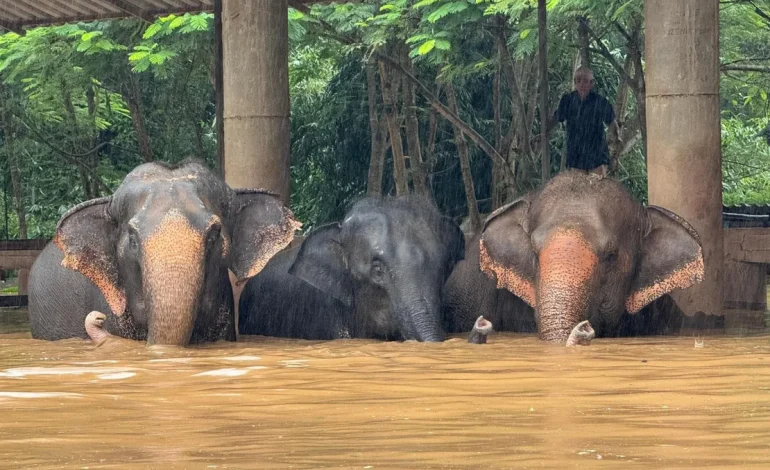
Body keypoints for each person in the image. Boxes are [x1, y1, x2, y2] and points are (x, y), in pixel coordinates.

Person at [542, 66, 618, 176]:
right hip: (576, 153)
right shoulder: (567, 100)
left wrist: (616, 138)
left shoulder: (600, 102)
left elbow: (611, 122)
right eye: (578, 80)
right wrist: (545, 131)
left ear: (592, 83)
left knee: (598, 188)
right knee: (578, 189)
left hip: (597, 153)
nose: (582, 84)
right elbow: (557, 118)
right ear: (574, 82)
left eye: (586, 81)